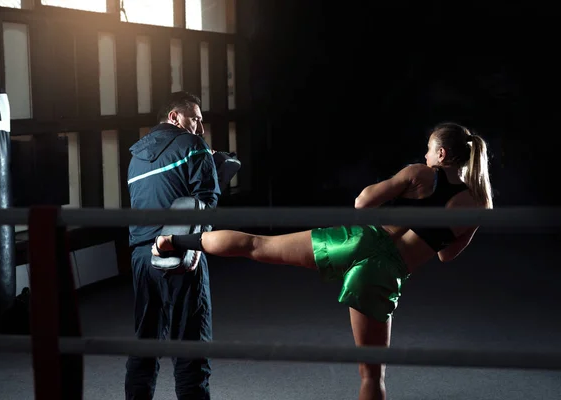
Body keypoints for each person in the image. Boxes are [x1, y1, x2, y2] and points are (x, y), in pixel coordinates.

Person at [151, 122, 494, 400]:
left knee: (258, 245)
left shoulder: (420, 173)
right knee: (372, 374)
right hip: (386, 273)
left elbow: (363, 202)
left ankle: (173, 240)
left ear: (442, 153)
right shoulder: (478, 206)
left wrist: (402, 191)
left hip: (359, 241)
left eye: (429, 148)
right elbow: (447, 255)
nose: (425, 153)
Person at [126, 91, 221, 400]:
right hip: (177, 249)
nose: (201, 129)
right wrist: (193, 247)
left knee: (145, 342)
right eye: (195, 119)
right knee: (190, 344)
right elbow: (205, 202)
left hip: (142, 256)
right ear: (174, 117)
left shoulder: (136, 157)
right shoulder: (193, 146)